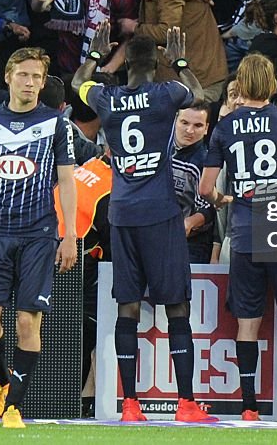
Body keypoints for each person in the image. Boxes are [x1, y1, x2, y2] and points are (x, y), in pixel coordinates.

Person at [72, 25, 217, 423]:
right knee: (176, 305)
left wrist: (96, 56)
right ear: (155, 65)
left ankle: (130, 405)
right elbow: (197, 94)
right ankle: (186, 403)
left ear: (126, 66)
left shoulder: (108, 96)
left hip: (121, 213)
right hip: (160, 213)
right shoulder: (165, 94)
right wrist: (181, 61)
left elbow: (78, 82)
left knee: (128, 307)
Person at [0, 47, 78, 429]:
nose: (30, 83)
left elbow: (68, 180)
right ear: (8, 77)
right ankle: (1, 383)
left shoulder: (56, 124)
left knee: (27, 322)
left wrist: (69, 234)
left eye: (37, 77)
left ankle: (14, 407)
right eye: (24, 75)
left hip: (39, 233)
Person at [199, 53, 277, 422]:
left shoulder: (224, 126)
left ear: (241, 84)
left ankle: (249, 405)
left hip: (244, 231)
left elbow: (206, 186)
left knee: (248, 322)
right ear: (271, 85)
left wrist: (224, 197)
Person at [172, 102, 216, 263]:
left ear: (206, 128)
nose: (189, 131)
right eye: (184, 123)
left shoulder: (205, 161)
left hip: (190, 244)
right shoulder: (160, 149)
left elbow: (209, 209)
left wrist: (189, 222)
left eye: (197, 125)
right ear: (175, 120)